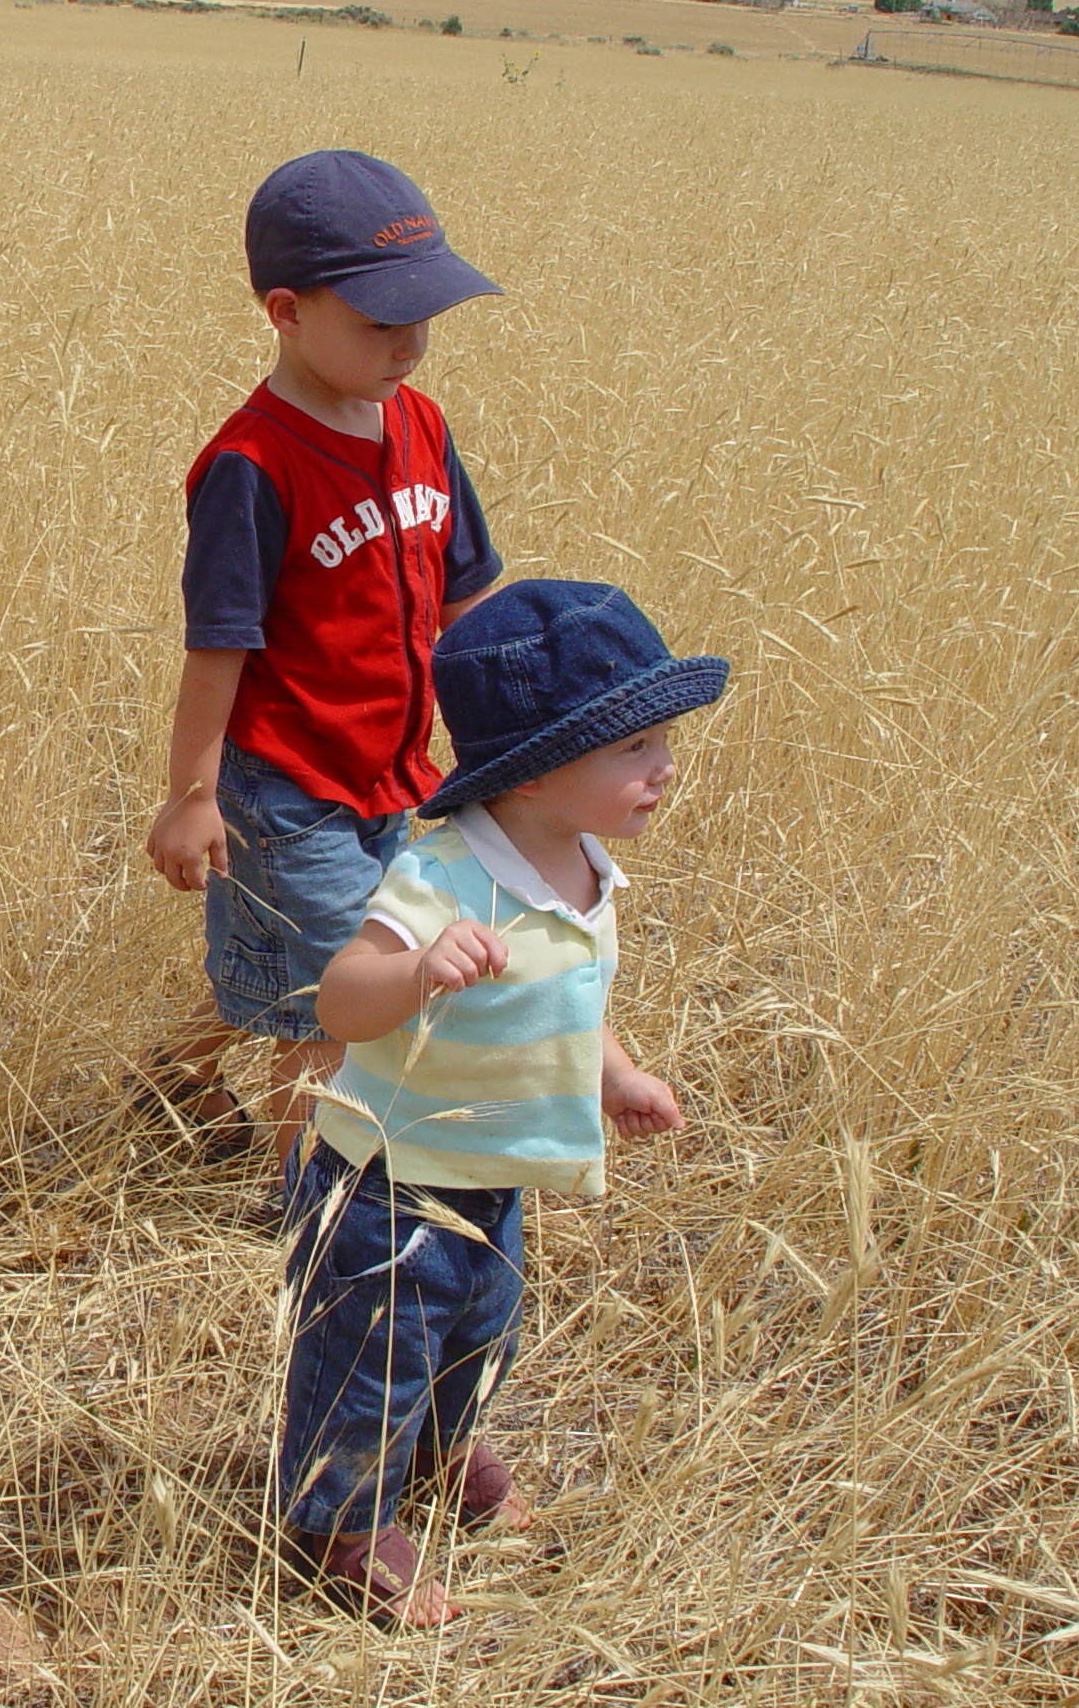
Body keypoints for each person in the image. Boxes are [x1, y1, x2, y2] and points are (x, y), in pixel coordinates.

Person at [280, 579, 728, 1625]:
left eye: (662, 740)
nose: (664, 766)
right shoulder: (442, 877)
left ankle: (437, 1458)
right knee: (371, 1355)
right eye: (634, 747)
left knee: (478, 1334)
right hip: (388, 1184)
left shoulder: (582, 866)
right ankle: (341, 1525)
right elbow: (342, 1003)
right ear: (531, 770)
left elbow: (574, 999)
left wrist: (615, 1074)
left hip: (492, 1178)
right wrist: (421, 970)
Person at [142, 150, 505, 1184]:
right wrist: (190, 797)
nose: (408, 345)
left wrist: (508, 734)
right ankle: (312, 1212)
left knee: (290, 964)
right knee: (340, 999)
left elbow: (467, 593)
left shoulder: (424, 428)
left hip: (389, 771)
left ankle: (173, 1071)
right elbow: (218, 648)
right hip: (286, 786)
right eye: (378, 321)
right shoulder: (250, 470)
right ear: (286, 311)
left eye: (421, 317)